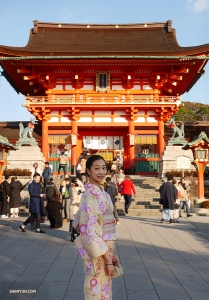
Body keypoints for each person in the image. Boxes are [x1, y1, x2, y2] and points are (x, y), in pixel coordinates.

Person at [75, 155, 120, 299]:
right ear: (88, 171)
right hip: (99, 252)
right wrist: (107, 259)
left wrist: (111, 254)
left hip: (103, 249)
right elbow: (90, 229)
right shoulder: (91, 194)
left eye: (103, 168)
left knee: (102, 288)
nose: (101, 172)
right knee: (96, 289)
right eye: (96, 168)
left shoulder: (102, 193)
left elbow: (79, 223)